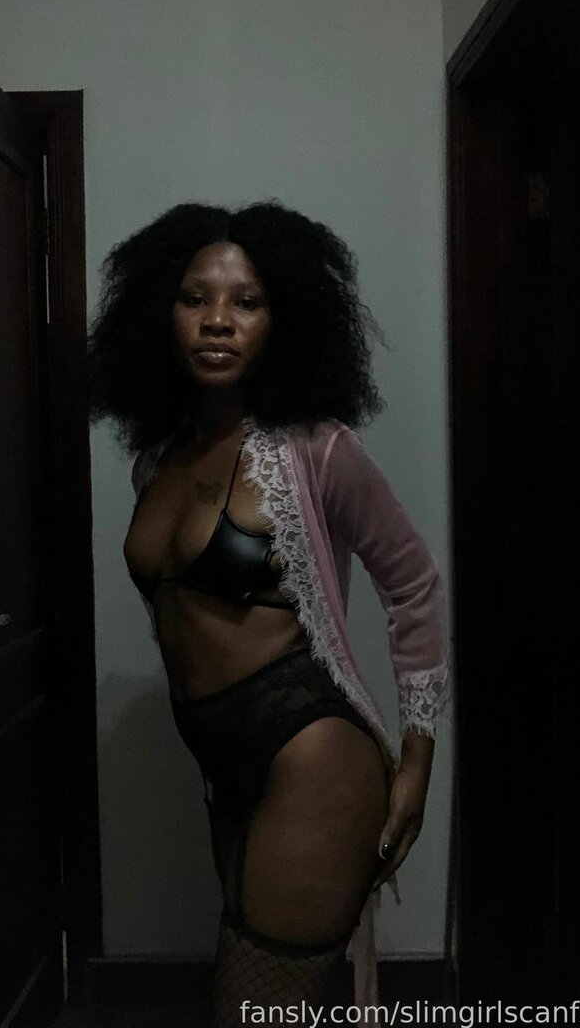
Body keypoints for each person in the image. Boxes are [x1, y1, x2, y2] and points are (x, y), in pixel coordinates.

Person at [87, 200, 450, 1027]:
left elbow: (413, 585)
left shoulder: (318, 449)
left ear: (282, 322)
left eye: (245, 302)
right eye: (194, 298)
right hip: (221, 764)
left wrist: (417, 763)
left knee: (252, 1008)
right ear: (159, 314)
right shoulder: (158, 457)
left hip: (312, 757)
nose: (217, 320)